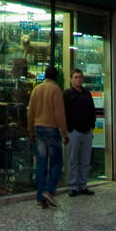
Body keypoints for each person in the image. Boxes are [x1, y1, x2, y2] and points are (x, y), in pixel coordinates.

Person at [27, 64, 68, 209]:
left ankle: (40, 199)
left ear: (45, 75)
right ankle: (49, 191)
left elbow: (30, 112)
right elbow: (59, 114)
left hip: (38, 129)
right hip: (52, 130)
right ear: (56, 77)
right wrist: (64, 132)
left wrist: (30, 130)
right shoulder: (56, 90)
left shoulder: (36, 89)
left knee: (41, 164)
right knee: (57, 162)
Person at [63, 68, 96, 197]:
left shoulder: (87, 94)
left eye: (80, 77)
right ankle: (73, 186)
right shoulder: (67, 94)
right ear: (71, 79)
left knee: (85, 160)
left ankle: (83, 185)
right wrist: (67, 129)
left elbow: (92, 110)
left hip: (87, 131)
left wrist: (91, 126)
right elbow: (63, 112)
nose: (78, 79)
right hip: (74, 131)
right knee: (72, 159)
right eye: (75, 77)